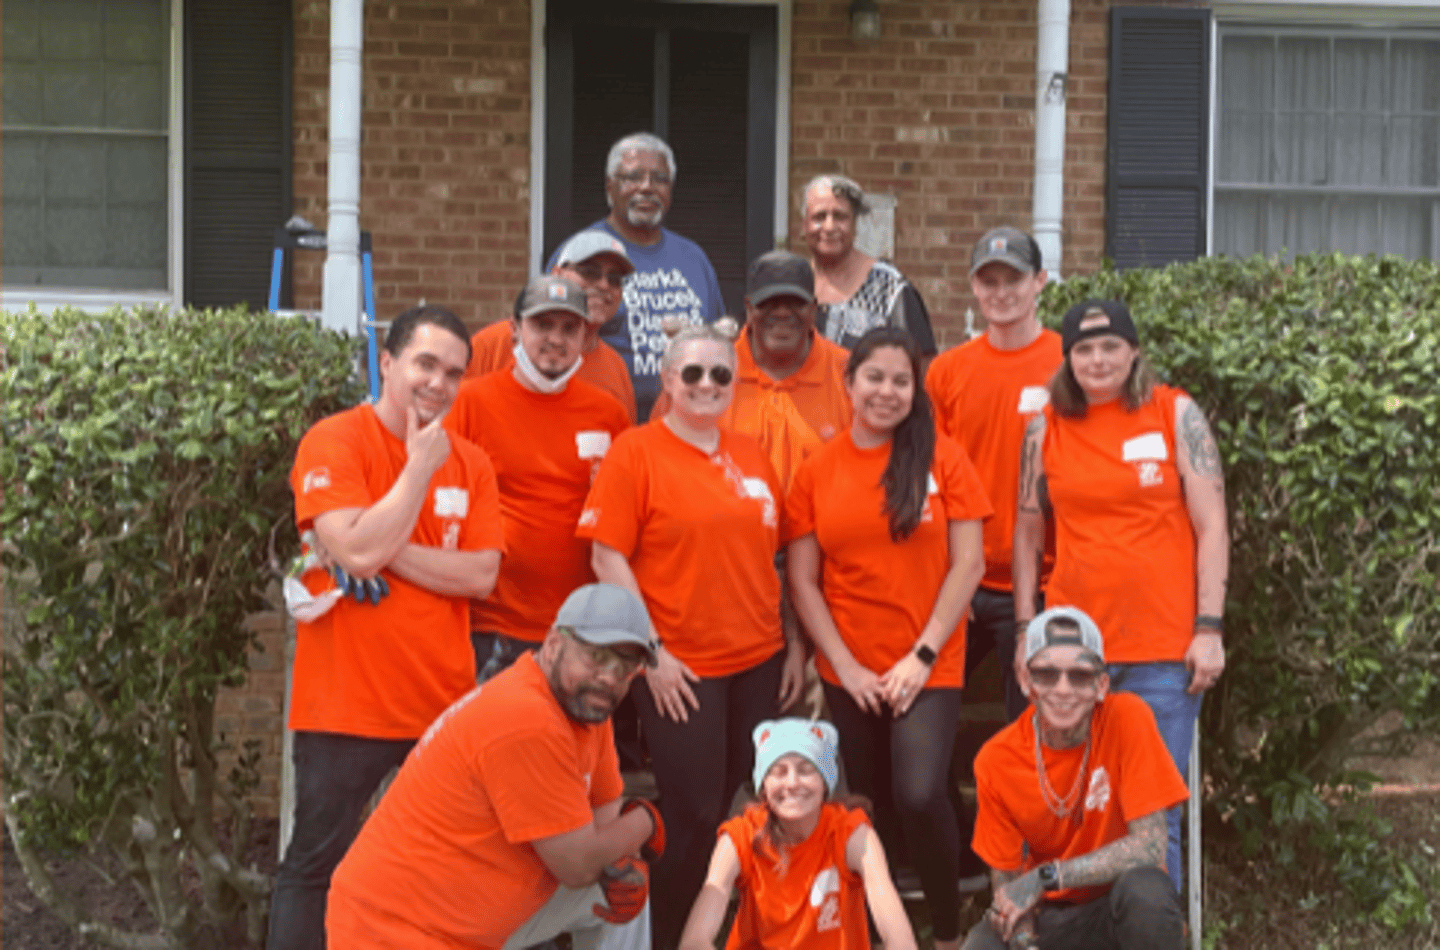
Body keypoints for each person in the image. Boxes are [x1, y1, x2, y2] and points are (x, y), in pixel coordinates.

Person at [269, 305, 505, 950]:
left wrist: (361, 543)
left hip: (439, 711)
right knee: (316, 866)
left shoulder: (475, 464)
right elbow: (355, 552)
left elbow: (480, 575)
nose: (438, 383)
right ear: (389, 362)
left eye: (454, 373)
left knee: (425, 873)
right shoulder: (337, 440)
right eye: (425, 364)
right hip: (344, 706)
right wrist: (415, 472)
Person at [579, 324, 806, 950]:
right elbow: (607, 557)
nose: (708, 385)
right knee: (695, 814)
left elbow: (777, 558)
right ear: (668, 380)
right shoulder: (637, 452)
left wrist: (795, 645)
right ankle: (669, 937)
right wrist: (652, 655)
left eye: (720, 374)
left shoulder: (751, 454)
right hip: (682, 667)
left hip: (760, 660)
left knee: (742, 804)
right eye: (693, 374)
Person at [1013, 298, 1230, 893]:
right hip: (1070, 658)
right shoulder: (1045, 428)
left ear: (1134, 352)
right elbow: (1028, 532)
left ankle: (1154, 931)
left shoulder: (1173, 413)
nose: (1098, 359)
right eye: (1083, 348)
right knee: (1070, 806)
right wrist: (1022, 631)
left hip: (1163, 653)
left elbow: (1212, 524)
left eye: (1110, 346)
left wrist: (1208, 628)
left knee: (1154, 814)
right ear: (1068, 359)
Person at [786, 326, 989, 950]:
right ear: (849, 385)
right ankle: (879, 930)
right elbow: (803, 579)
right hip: (851, 666)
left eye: (902, 380)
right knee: (869, 803)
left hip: (929, 661)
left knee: (922, 793)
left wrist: (921, 656)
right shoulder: (817, 469)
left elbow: (970, 565)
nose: (887, 391)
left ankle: (948, 933)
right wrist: (843, 667)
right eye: (874, 377)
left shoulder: (942, 457)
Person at [326, 583, 668, 950]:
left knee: (622, 890)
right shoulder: (527, 716)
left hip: (465, 914)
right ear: (554, 643)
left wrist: (619, 852)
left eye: (625, 667)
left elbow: (603, 835)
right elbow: (579, 863)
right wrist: (647, 820)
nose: (609, 677)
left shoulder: (586, 710)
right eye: (596, 657)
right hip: (396, 930)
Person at [961, 607, 1188, 950]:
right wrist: (1025, 940)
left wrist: (1046, 876)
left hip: (1114, 907)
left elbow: (1150, 847)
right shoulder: (996, 760)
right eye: (1046, 674)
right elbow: (1007, 888)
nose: (1063, 689)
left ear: (1101, 685)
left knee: (1147, 891)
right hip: (1050, 917)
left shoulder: (1128, 718)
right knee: (982, 944)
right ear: (1026, 681)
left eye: (1079, 676)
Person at [447, 274, 631, 682]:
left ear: (585, 336)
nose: (556, 339)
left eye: (569, 328)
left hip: (581, 628)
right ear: (514, 330)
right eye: (542, 325)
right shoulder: (469, 404)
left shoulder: (609, 413)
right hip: (493, 627)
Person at [927, 227, 1061, 723]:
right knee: (924, 714)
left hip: (1040, 579)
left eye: (1015, 280)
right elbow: (932, 475)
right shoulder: (947, 371)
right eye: (989, 281)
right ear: (974, 287)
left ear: (1040, 281)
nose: (1001, 293)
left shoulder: (1066, 364)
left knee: (1029, 719)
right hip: (960, 576)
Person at [679, 719, 916, 950]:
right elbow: (694, 940)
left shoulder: (851, 833)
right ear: (763, 785)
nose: (792, 783)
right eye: (778, 772)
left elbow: (899, 937)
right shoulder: (740, 835)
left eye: (806, 771)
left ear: (825, 782)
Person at [552, 132, 725, 422]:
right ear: (610, 186)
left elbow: (716, 339)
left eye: (660, 179)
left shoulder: (693, 257)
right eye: (633, 177)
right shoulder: (581, 256)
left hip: (682, 424)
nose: (647, 187)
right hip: (598, 421)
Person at [651, 250, 851, 493]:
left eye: (795, 302)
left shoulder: (848, 374)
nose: (781, 312)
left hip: (819, 529)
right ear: (748, 307)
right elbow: (662, 464)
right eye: (768, 302)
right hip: (727, 526)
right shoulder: (707, 372)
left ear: (813, 309)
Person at [467, 230, 639, 423]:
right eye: (590, 272)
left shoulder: (616, 368)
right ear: (557, 273)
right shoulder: (492, 344)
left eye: (615, 279)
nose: (604, 285)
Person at [801, 175, 937, 357]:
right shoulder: (795, 283)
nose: (829, 226)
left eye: (840, 217)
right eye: (819, 217)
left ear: (855, 224)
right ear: (804, 225)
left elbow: (922, 365)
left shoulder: (890, 289)